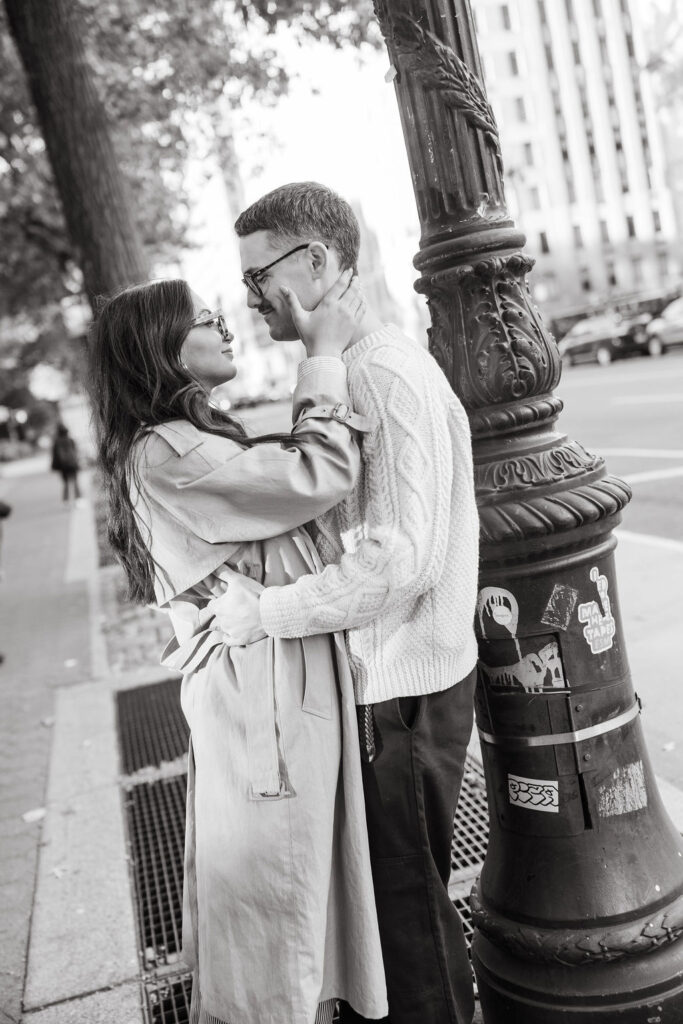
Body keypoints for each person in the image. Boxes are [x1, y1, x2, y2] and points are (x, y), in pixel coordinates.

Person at [88, 276, 387, 1024]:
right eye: (203, 317)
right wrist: (322, 358)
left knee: (291, 894)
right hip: (263, 692)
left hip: (267, 676)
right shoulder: (165, 451)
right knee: (276, 900)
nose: (224, 324)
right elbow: (316, 474)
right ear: (162, 348)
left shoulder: (176, 441)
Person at [226, 182, 480, 1024]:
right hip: (394, 686)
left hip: (401, 692)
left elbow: (399, 561)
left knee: (409, 924)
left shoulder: (381, 371)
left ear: (318, 261)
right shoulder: (357, 364)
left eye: (257, 276)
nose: (249, 297)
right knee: (395, 914)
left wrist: (267, 613)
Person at [51, 423, 82, 504]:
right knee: (75, 482)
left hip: (63, 466)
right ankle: (78, 500)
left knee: (65, 483)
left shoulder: (56, 442)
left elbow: (55, 456)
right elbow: (76, 452)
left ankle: (66, 501)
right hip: (72, 464)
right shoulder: (71, 440)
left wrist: (56, 466)